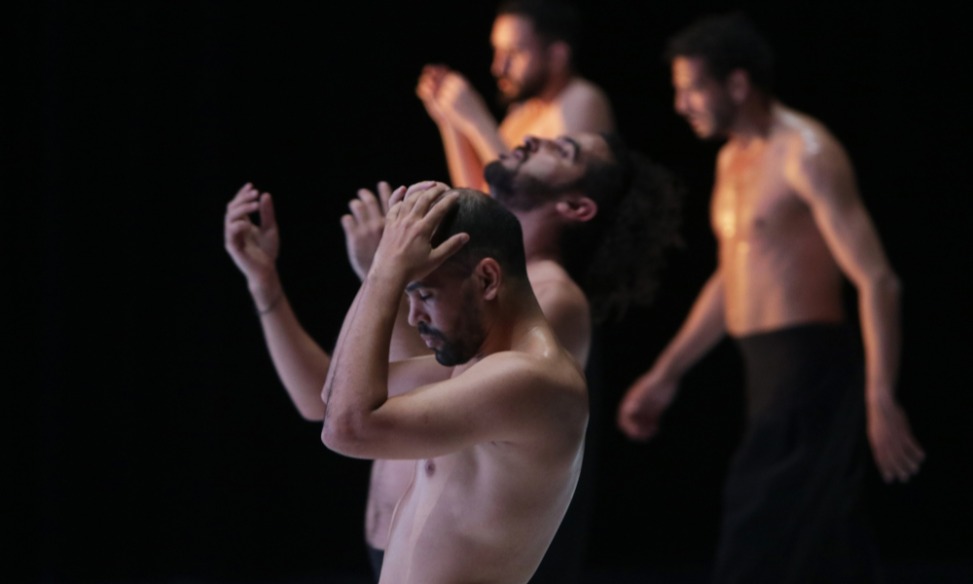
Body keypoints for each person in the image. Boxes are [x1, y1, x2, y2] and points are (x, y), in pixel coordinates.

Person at [616, 12, 925, 584]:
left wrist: (880, 393)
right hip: (765, 374)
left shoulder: (806, 152)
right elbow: (732, 277)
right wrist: (666, 373)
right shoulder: (731, 159)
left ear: (737, 84)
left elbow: (878, 280)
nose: (681, 105)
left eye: (693, 88)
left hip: (813, 372)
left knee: (765, 539)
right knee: (815, 548)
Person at [321, 183, 589, 584]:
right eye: (408, 296)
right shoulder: (481, 367)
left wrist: (384, 274)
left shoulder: (532, 379)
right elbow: (335, 393)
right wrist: (382, 263)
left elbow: (346, 429)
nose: (412, 317)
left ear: (487, 279)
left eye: (425, 295)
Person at [485, 131, 684, 583]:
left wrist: (384, 274)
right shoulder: (494, 281)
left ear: (576, 207)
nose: (534, 139)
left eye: (563, 150)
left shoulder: (553, 300)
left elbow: (365, 420)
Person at [416, 0, 615, 192]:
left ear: (557, 55)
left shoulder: (582, 98)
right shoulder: (524, 111)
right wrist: (452, 121)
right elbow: (481, 197)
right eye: (497, 52)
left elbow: (537, 198)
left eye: (513, 53)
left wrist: (478, 121)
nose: (498, 67)